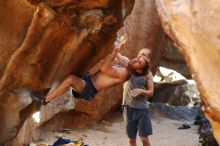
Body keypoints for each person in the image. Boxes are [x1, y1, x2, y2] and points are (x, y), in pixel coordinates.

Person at [31, 38, 149, 104]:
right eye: (139, 57)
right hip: (87, 78)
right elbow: (118, 53)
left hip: (89, 88)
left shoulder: (125, 74)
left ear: (138, 71)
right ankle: (49, 92)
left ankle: (45, 99)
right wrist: (117, 40)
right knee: (72, 69)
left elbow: (104, 68)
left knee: (70, 79)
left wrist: (115, 51)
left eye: (139, 62)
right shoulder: (127, 62)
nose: (136, 59)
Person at [122, 48, 154, 146]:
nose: (140, 56)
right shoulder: (130, 68)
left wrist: (141, 91)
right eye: (139, 53)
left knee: (144, 138)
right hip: (128, 108)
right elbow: (120, 59)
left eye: (143, 55)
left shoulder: (148, 74)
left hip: (142, 110)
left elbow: (151, 92)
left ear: (148, 59)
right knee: (131, 140)